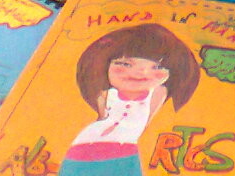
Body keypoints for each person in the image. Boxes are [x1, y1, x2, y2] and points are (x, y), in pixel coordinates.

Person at [59, 24, 200, 176]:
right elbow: (102, 116)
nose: (141, 72)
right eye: (125, 64)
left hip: (124, 150)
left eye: (157, 67)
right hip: (84, 146)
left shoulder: (157, 93)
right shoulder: (106, 93)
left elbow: (145, 124)